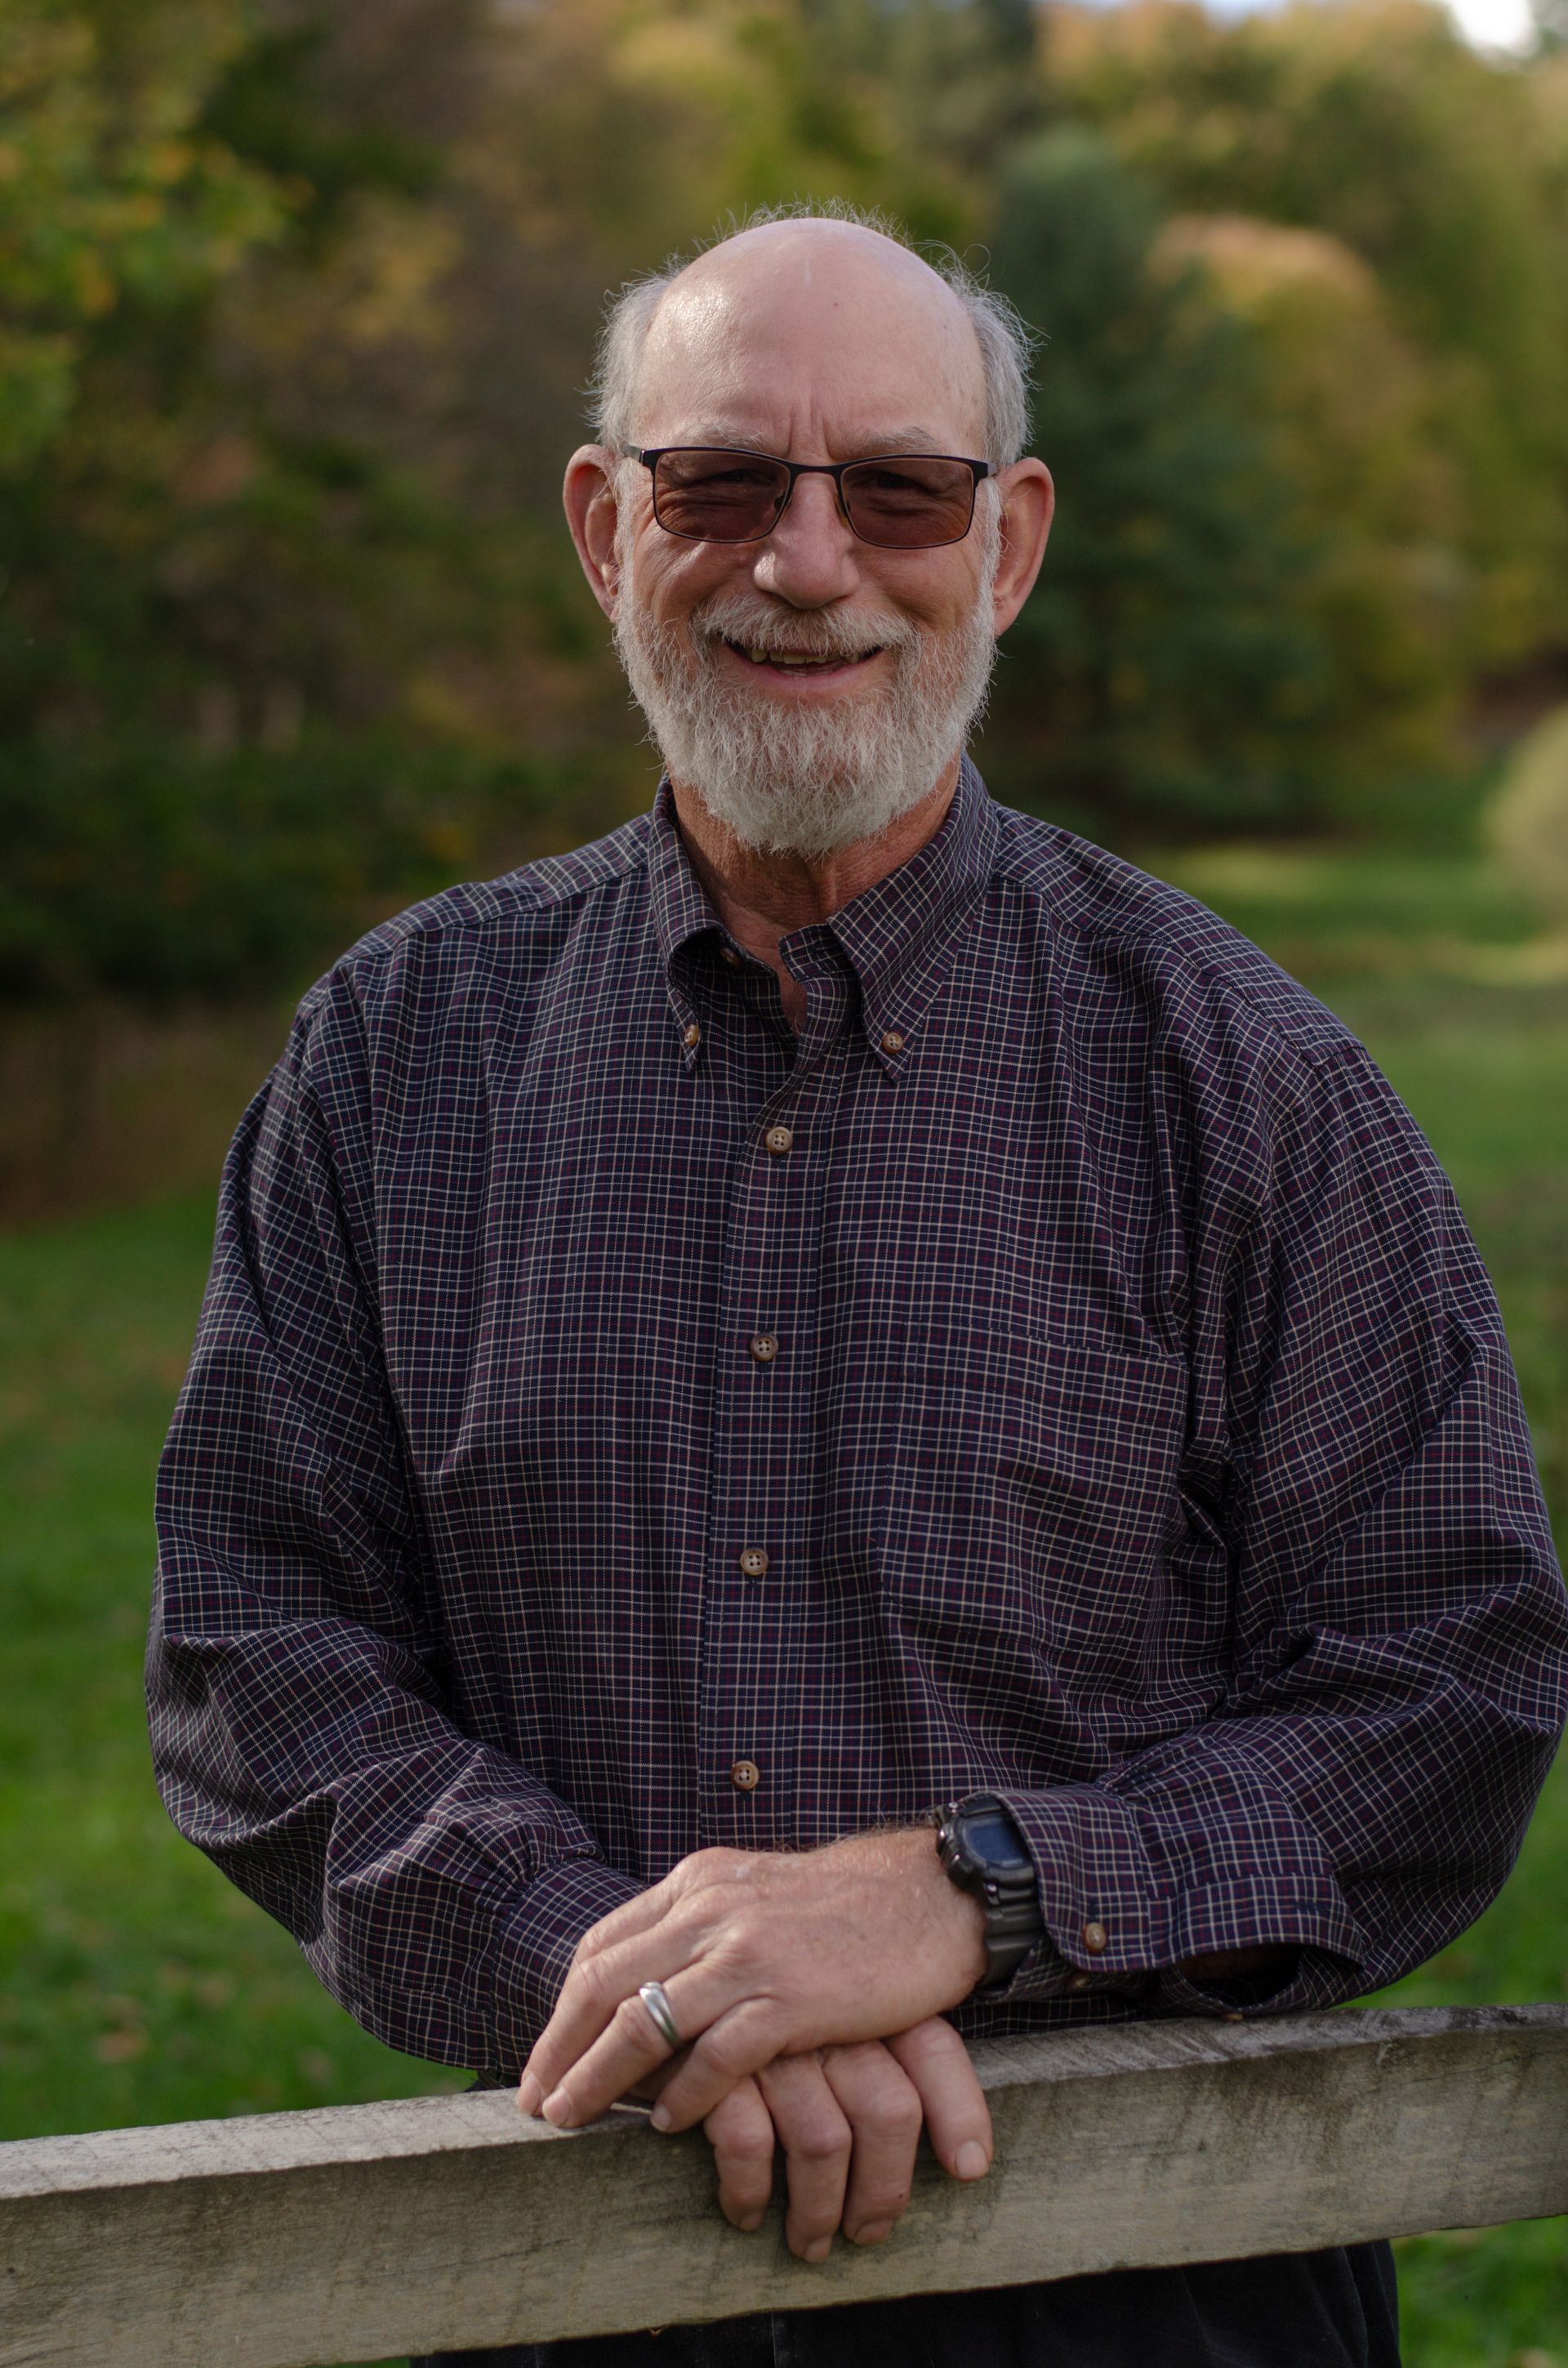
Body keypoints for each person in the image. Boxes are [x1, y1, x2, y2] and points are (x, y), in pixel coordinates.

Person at [147, 206, 1566, 2368]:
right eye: (723, 482)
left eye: (892, 490)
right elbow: (263, 1645)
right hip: (553, 2303)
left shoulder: (1251, 1077)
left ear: (1003, 543)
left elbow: (1447, 1690)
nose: (807, 563)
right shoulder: (393, 1057)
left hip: (1150, 2316)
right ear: (606, 527)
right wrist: (641, 1971)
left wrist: (968, 1898)